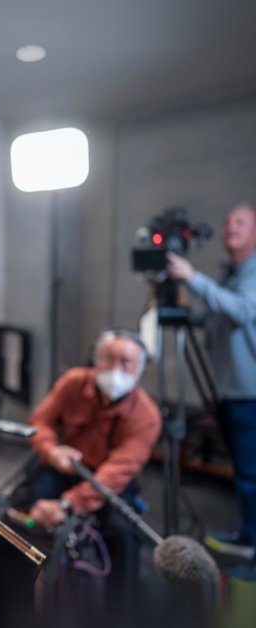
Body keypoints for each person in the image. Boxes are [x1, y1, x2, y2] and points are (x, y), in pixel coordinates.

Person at [15, 329, 162, 602]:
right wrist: (51, 451)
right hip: (65, 466)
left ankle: (122, 610)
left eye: (126, 363)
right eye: (108, 359)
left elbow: (118, 470)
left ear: (140, 370)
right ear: (95, 359)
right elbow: (40, 421)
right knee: (22, 502)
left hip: (108, 482)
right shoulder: (73, 382)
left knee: (124, 534)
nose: (115, 370)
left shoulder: (147, 415)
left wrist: (67, 504)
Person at [167, 202, 256, 561]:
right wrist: (185, 310)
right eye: (226, 222)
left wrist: (193, 277)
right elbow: (219, 316)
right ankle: (249, 530)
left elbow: (242, 310)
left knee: (250, 471)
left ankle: (251, 542)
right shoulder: (231, 274)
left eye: (240, 222)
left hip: (249, 392)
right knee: (244, 469)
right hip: (232, 389)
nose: (230, 228)